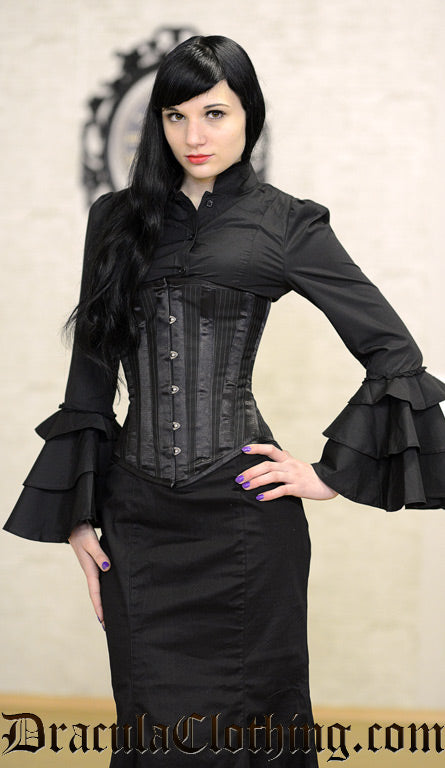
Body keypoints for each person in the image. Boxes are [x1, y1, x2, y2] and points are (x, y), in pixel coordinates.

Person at [4, 34, 445, 767]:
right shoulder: (115, 219)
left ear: (249, 117)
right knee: (151, 731)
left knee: (254, 732)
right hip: (137, 521)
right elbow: (90, 380)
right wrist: (79, 516)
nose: (194, 135)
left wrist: (327, 474)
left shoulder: (285, 222)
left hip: (245, 524)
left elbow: (393, 352)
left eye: (214, 113)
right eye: (175, 116)